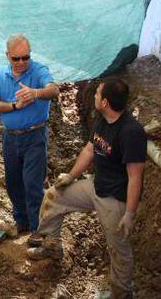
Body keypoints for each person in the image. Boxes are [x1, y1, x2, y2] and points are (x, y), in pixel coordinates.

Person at [27, 78, 147, 299]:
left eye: (97, 93)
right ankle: (52, 245)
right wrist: (71, 176)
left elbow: (135, 176)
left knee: (118, 250)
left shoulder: (131, 132)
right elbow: (90, 150)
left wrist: (129, 213)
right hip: (96, 185)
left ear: (105, 102)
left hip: (115, 199)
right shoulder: (103, 120)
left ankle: (122, 294)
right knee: (54, 196)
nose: (94, 96)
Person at [0, 34, 59, 241]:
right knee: (13, 182)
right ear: (7, 56)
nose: (21, 63)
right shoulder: (1, 74)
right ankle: (22, 222)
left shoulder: (39, 71)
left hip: (34, 135)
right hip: (10, 138)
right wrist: (14, 106)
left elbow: (53, 89)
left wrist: (35, 93)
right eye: (16, 58)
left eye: (25, 57)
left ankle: (39, 230)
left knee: (33, 183)